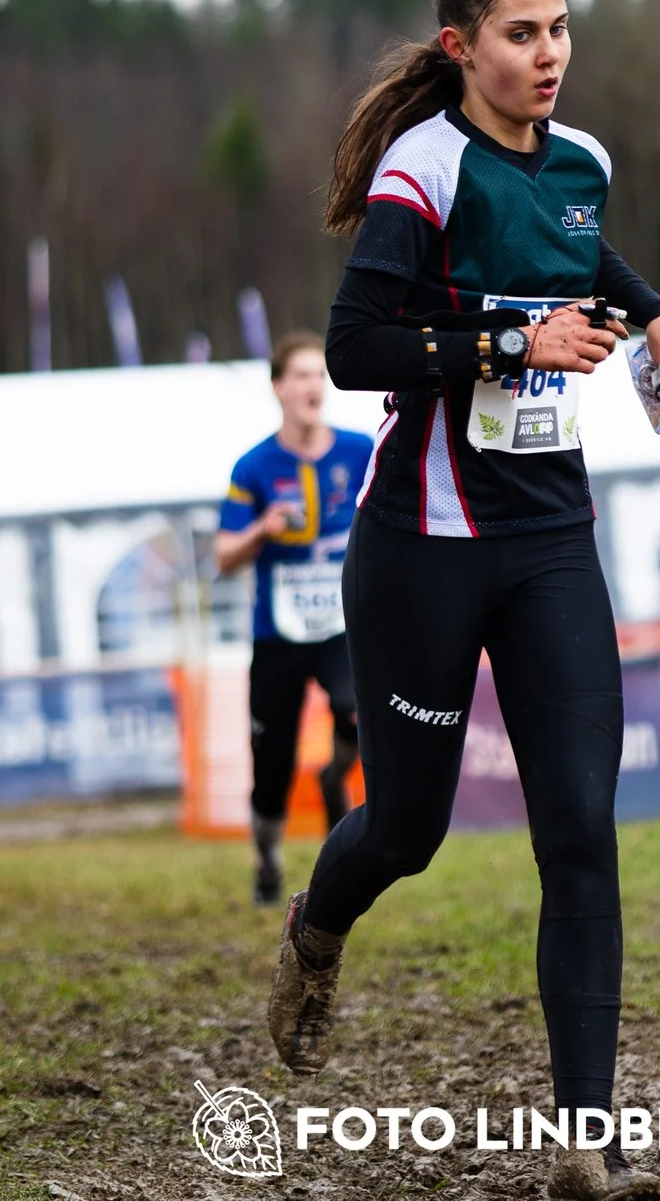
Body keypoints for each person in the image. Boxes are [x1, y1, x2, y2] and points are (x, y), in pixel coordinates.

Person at [264, 0, 660, 1201]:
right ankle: (315, 927)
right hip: (422, 545)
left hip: (549, 539)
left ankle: (586, 1142)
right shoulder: (424, 166)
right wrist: (514, 339)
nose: (550, 52)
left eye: (560, 28)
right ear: (462, 46)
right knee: (409, 826)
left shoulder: (584, 162)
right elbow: (356, 346)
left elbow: (578, 255)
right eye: (521, 33)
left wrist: (655, 310)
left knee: (580, 828)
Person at [215, 332, 374, 906]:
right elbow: (224, 557)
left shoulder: (358, 450)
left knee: (359, 712)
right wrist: (263, 528)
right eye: (301, 376)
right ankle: (267, 861)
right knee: (272, 767)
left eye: (319, 374)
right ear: (279, 388)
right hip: (277, 636)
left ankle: (335, 774)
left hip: (339, 624)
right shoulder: (254, 467)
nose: (314, 386)